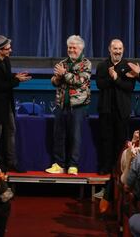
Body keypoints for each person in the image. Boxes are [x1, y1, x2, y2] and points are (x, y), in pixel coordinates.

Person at [0, 35, 31, 173]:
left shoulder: (6, 60)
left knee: (11, 131)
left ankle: (12, 162)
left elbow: (6, 78)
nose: (11, 50)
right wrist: (17, 81)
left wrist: (15, 76)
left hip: (7, 103)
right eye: (8, 48)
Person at [45, 35, 91, 175]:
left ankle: (73, 165)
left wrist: (64, 74)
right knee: (59, 136)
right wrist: (57, 78)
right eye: (69, 47)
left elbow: (80, 81)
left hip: (78, 106)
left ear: (81, 48)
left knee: (75, 136)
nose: (71, 50)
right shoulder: (63, 63)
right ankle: (59, 164)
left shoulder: (86, 63)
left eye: (74, 47)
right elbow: (54, 82)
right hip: (61, 105)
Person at [96, 39, 136, 175]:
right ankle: (106, 167)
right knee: (106, 140)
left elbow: (129, 87)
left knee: (120, 141)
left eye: (120, 49)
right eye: (115, 49)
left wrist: (116, 78)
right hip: (105, 110)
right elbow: (99, 84)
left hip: (122, 111)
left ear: (123, 50)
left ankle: (118, 168)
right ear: (109, 49)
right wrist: (111, 77)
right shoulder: (102, 66)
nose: (117, 52)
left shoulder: (128, 66)